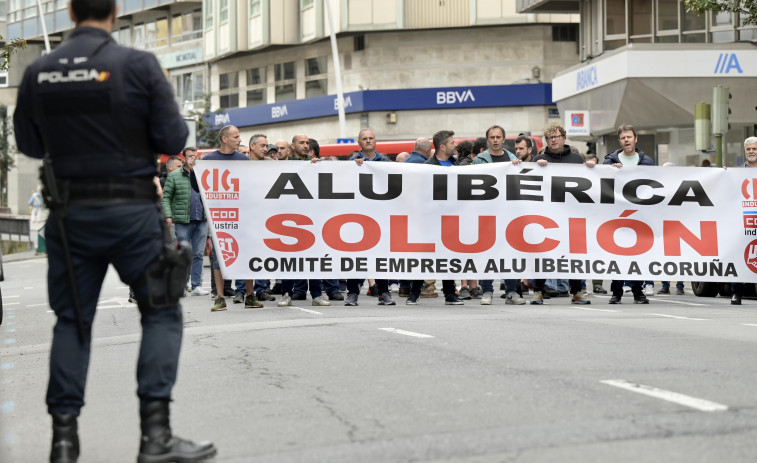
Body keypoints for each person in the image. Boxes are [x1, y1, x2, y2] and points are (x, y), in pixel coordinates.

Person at [13, 1, 216, 462]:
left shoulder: (40, 70)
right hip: (131, 213)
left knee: (73, 321)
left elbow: (28, 143)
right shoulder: (137, 64)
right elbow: (171, 139)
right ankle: (156, 437)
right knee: (161, 311)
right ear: (116, 11)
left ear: (69, 11)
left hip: (70, 216)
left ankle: (63, 443)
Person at [530, 123, 593, 305]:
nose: (553, 140)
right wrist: (536, 166)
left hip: (571, 216)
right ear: (546, 140)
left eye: (557, 136)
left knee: (573, 255)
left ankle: (577, 291)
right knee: (544, 254)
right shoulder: (539, 159)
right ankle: (538, 291)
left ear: (564, 138)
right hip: (547, 216)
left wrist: (590, 167)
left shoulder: (575, 159)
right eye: (550, 138)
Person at [204, 125, 264, 311]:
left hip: (242, 215)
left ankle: (249, 295)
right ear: (225, 139)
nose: (240, 140)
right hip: (220, 217)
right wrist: (194, 169)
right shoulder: (209, 160)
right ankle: (220, 298)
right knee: (218, 258)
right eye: (236, 136)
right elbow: (199, 187)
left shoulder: (243, 160)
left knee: (246, 254)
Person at [405, 130, 464, 306]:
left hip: (451, 218)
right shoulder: (428, 167)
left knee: (448, 256)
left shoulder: (457, 165)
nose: (455, 145)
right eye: (452, 143)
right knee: (423, 256)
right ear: (442, 146)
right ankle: (413, 293)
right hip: (430, 218)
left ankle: (450, 294)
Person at [604, 124, 654, 305]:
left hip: (640, 215)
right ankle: (616, 291)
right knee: (616, 254)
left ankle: (637, 291)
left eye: (629, 137)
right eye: (623, 138)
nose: (626, 140)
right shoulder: (609, 162)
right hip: (616, 216)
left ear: (635, 139)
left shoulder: (647, 162)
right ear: (620, 141)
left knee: (638, 255)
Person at [162, 148, 209, 297]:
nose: (193, 159)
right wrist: (168, 215)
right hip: (182, 221)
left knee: (198, 254)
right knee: (182, 254)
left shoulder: (205, 174)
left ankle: (196, 285)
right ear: (184, 159)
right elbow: (166, 197)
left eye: (195, 156)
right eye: (190, 156)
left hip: (201, 220)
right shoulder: (175, 176)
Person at [731, 136, 757, 305]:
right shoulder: (737, 172)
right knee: (740, 256)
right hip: (744, 220)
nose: (751, 152)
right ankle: (736, 293)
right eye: (748, 149)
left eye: (754, 149)